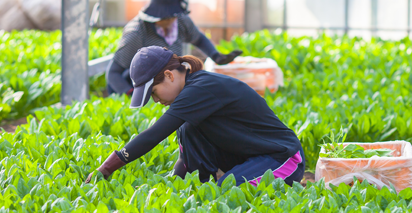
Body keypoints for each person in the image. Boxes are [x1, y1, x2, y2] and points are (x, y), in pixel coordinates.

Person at [85, 46, 306, 187]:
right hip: (249, 156)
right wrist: (173, 186)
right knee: (187, 128)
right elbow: (185, 156)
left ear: (170, 75)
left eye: (153, 92)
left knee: (225, 192)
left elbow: (154, 135)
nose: (155, 100)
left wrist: (106, 168)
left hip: (282, 158)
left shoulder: (202, 88)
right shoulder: (190, 93)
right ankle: (211, 180)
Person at [106, 0, 243, 96]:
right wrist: (132, 95)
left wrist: (216, 56)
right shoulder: (136, 33)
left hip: (167, 85)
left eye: (173, 16)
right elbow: (113, 73)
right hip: (139, 87)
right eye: (167, 18)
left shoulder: (180, 21)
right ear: (155, 17)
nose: (171, 20)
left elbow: (198, 38)